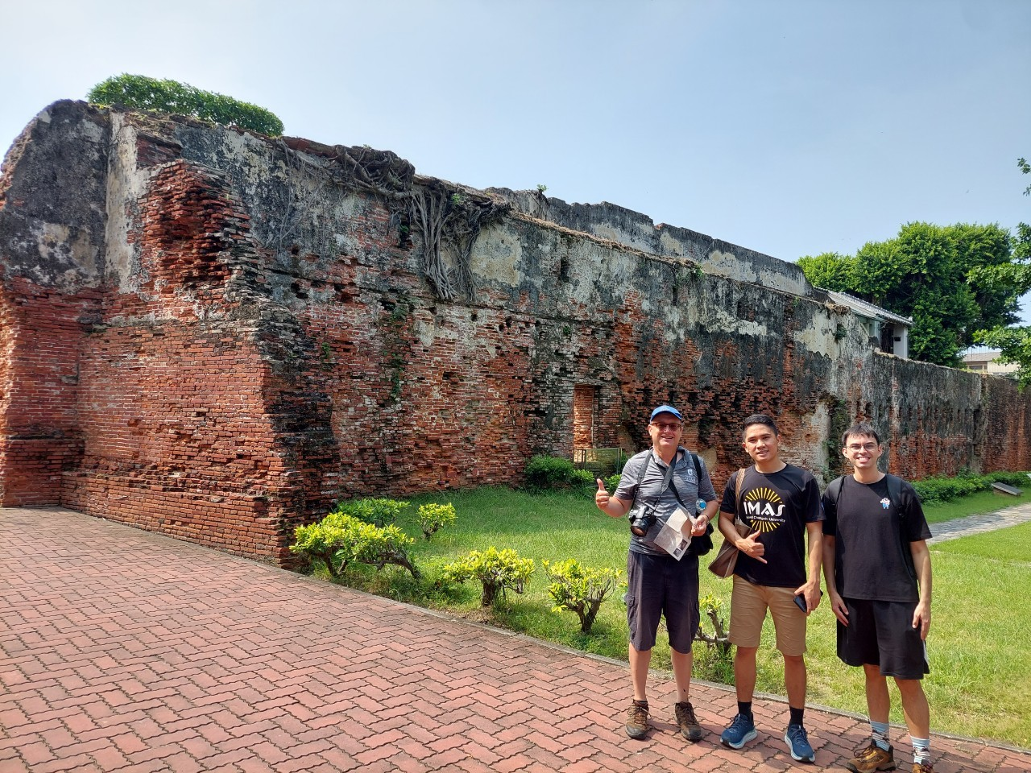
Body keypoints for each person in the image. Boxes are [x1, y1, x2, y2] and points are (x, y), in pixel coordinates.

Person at [594, 404, 719, 742]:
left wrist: (704, 517)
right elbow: (622, 506)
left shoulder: (694, 464)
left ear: (681, 430)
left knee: (683, 634)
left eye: (673, 426)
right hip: (645, 560)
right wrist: (607, 505)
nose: (667, 431)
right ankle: (639, 702)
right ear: (650, 429)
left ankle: (683, 704)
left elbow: (711, 500)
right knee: (641, 631)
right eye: (660, 425)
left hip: (683, 562)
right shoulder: (637, 463)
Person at [822, 422, 934, 774]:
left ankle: (922, 758)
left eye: (868, 445)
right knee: (871, 671)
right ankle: (881, 746)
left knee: (906, 677)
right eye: (855, 446)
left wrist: (925, 602)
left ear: (880, 449)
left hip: (898, 599)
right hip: (854, 598)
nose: (862, 452)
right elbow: (827, 545)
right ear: (845, 452)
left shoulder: (901, 491)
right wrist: (833, 591)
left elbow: (920, 552)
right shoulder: (835, 492)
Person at [716, 413, 824, 763]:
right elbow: (725, 520)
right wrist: (740, 544)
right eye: (753, 440)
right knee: (744, 649)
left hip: (790, 584)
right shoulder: (739, 479)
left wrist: (813, 580)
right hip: (748, 581)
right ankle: (744, 717)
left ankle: (796, 726)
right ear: (745, 446)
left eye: (766, 437)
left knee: (793, 655)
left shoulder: (802, 480)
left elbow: (816, 533)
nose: (760, 445)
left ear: (778, 439)